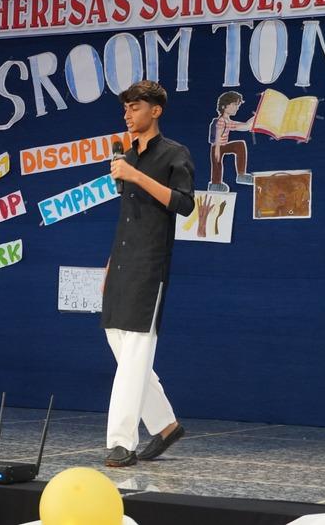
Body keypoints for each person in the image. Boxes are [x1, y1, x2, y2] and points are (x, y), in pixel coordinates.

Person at [102, 80, 195, 467]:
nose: (128, 114)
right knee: (122, 349)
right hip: (122, 261)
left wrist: (137, 176)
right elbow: (127, 218)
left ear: (155, 111)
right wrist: (110, 264)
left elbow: (185, 204)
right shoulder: (127, 157)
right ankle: (166, 425)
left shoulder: (175, 153)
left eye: (135, 107)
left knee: (135, 354)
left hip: (149, 264)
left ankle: (121, 442)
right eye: (125, 108)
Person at [208, 91, 254, 192]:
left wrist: (255, 117)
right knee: (217, 165)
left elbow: (245, 126)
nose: (236, 108)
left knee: (239, 145)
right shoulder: (221, 121)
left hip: (223, 146)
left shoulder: (228, 122)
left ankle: (241, 175)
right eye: (234, 105)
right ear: (224, 106)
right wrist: (217, 151)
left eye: (237, 105)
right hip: (217, 147)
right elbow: (217, 136)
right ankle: (215, 184)